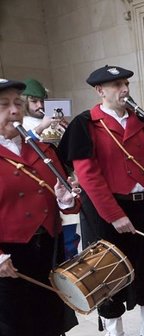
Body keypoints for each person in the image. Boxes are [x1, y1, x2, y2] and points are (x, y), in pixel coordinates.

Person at [58, 65, 144, 336]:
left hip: (143, 205)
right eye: (116, 85)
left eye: (125, 83)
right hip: (105, 210)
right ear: (100, 91)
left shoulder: (140, 120)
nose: (125, 90)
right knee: (106, 273)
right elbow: (88, 177)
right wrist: (114, 215)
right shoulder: (86, 125)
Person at [0, 78, 87, 336]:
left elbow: (65, 194)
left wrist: (67, 200)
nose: (14, 110)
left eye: (17, 102)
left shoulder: (41, 148)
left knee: (47, 320)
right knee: (10, 332)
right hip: (7, 256)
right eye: (4, 104)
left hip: (46, 248)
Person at [21, 78, 79, 258]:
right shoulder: (21, 123)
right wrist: (42, 126)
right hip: (41, 188)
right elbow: (23, 149)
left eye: (42, 100)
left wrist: (66, 127)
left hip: (64, 184)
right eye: (34, 101)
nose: (39, 105)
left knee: (70, 242)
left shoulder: (54, 120)